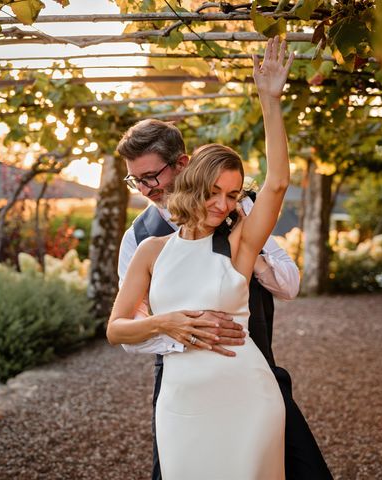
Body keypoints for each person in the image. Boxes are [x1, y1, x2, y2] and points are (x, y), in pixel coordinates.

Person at [107, 37, 331, 479]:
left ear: (181, 167)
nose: (223, 204)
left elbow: (278, 182)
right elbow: (119, 327)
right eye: (139, 181)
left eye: (231, 195)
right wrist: (171, 326)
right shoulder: (144, 246)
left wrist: (270, 100)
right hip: (181, 394)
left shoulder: (240, 239)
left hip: (249, 381)